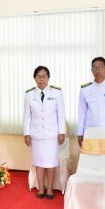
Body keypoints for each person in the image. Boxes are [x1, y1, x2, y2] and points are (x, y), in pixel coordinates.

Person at [23, 66, 65, 199]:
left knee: (51, 164)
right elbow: (26, 116)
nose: (41, 79)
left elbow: (61, 114)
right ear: (34, 78)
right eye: (38, 76)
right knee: (39, 163)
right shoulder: (29, 94)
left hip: (52, 135)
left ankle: (50, 189)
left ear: (48, 78)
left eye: (44, 76)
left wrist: (62, 132)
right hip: (36, 135)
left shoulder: (56, 93)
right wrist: (26, 133)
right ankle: (41, 188)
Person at [78, 57, 105, 146]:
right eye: (95, 67)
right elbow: (82, 113)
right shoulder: (85, 89)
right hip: (90, 131)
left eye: (100, 67)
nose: (97, 70)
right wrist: (80, 133)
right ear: (91, 70)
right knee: (91, 158)